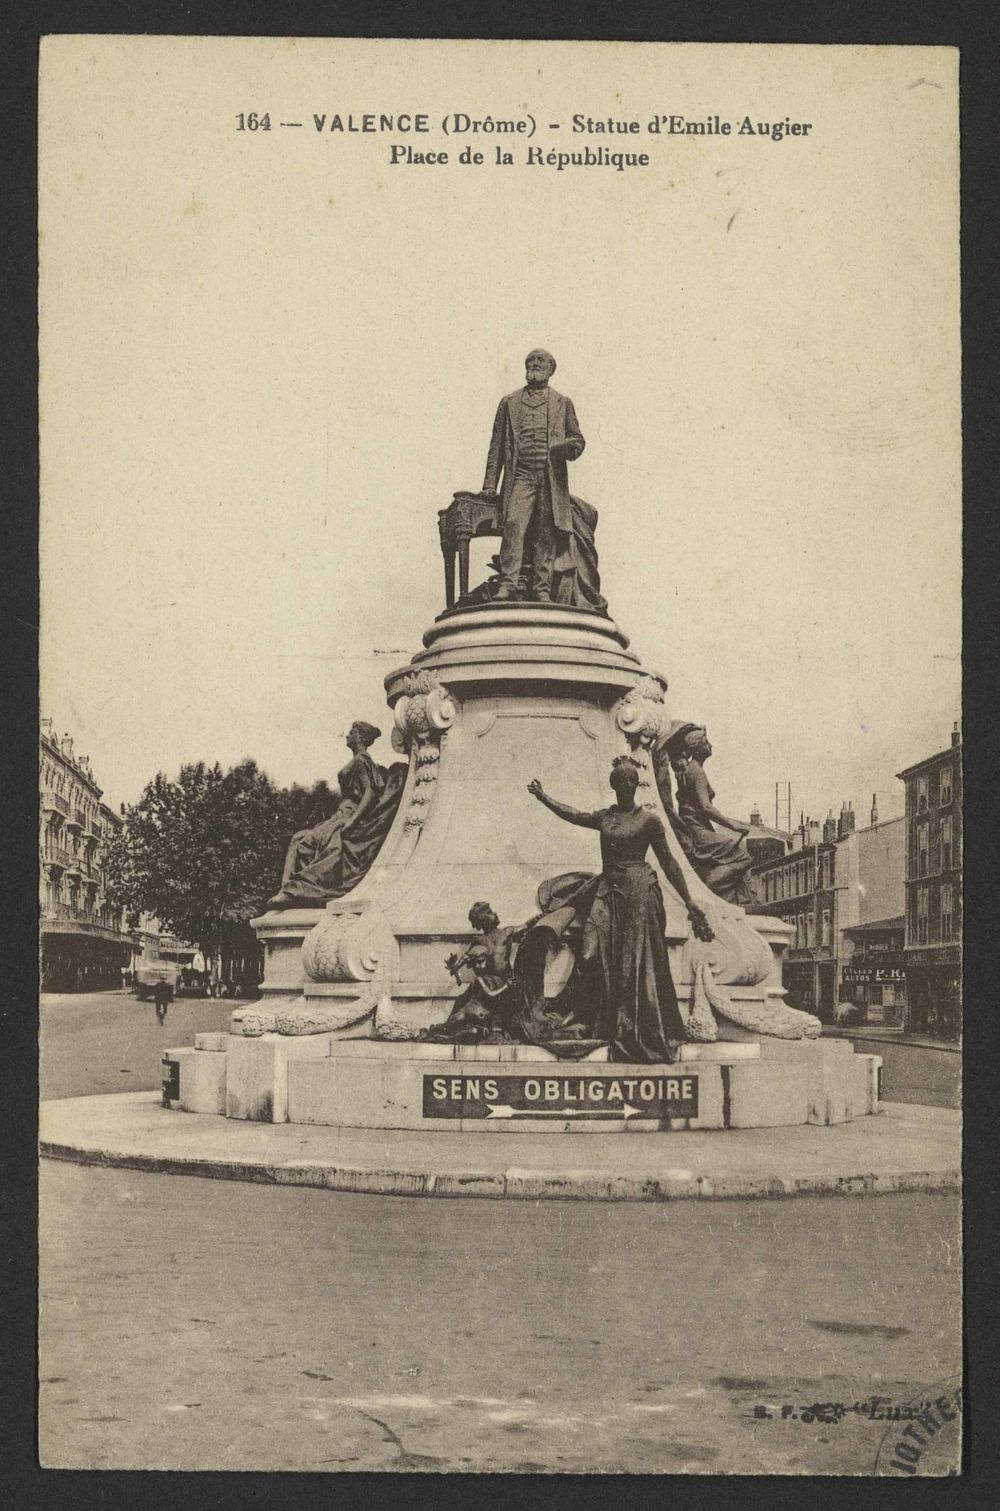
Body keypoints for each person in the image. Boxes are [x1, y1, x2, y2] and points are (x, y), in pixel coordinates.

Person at [527, 758, 714, 1061]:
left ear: (636, 785)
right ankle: (598, 1021)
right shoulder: (606, 817)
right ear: (614, 786)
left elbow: (669, 861)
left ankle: (633, 1028)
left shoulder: (649, 820)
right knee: (590, 953)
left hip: (639, 893)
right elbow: (574, 815)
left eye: (631, 781)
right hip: (608, 891)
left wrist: (689, 900)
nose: (627, 786)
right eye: (621, 782)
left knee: (634, 963)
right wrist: (544, 797)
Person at [482, 350, 585, 602]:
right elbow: (496, 446)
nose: (535, 365)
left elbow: (577, 440)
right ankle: (507, 584)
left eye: (541, 362)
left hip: (550, 478)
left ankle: (541, 588)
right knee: (514, 526)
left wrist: (566, 448)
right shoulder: (510, 402)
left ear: (551, 370)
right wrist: (489, 484)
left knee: (545, 533)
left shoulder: (563, 402)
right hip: (521, 475)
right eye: (531, 362)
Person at [269, 721, 407, 907]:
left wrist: (352, 821)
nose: (347, 735)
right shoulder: (359, 761)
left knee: (305, 842)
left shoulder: (361, 760)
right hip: (341, 813)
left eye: (352, 732)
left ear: (360, 737)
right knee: (298, 839)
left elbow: (371, 792)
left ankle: (292, 891)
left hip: (348, 814)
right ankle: (287, 889)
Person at [655, 723, 756, 907]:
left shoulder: (690, 770)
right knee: (743, 857)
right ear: (697, 747)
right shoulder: (697, 772)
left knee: (735, 859)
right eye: (706, 741)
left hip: (695, 828)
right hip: (697, 832)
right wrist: (734, 826)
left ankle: (732, 897)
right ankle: (707, 887)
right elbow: (707, 808)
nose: (710, 745)